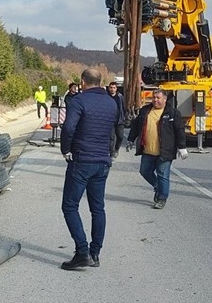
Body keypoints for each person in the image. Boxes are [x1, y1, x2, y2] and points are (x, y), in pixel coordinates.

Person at [58, 68, 120, 270]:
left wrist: (66, 149)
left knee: (69, 206)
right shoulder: (111, 102)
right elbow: (115, 130)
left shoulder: (79, 101)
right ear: (100, 81)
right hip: (102, 161)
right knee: (98, 208)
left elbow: (68, 128)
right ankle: (95, 253)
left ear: (83, 81)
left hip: (82, 160)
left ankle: (82, 251)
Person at [126, 89, 188, 210]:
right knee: (144, 171)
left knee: (163, 175)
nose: (155, 100)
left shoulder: (172, 113)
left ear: (164, 99)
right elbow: (136, 126)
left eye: (158, 98)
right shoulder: (145, 111)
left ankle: (162, 198)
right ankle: (157, 187)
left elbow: (180, 131)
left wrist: (182, 147)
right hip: (148, 150)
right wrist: (130, 139)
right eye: (154, 97)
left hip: (165, 151)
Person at [105, 81, 127, 157]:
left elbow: (124, 108)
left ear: (116, 88)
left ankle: (117, 149)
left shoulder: (120, 97)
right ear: (109, 88)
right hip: (110, 121)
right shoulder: (106, 97)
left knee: (120, 136)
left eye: (114, 88)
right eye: (111, 87)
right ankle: (112, 152)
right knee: (111, 138)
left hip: (119, 120)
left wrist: (125, 117)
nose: (112, 89)